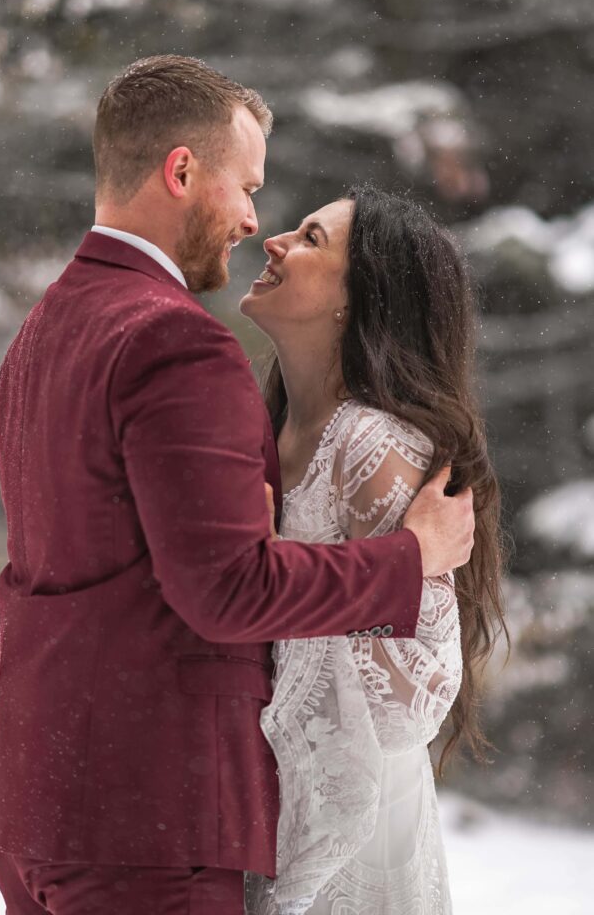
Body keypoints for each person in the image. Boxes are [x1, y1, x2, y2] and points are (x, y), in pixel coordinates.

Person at [0, 57, 475, 915]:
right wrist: (408, 557)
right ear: (182, 171)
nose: (253, 221)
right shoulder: (172, 341)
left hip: (38, 792)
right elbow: (226, 590)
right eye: (247, 186)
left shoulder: (49, 323)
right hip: (144, 808)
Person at [240, 186, 506, 915]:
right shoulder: (270, 427)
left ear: (358, 302)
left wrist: (274, 586)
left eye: (310, 238)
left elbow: (414, 700)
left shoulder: (371, 445)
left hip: (351, 830)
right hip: (265, 806)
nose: (273, 241)